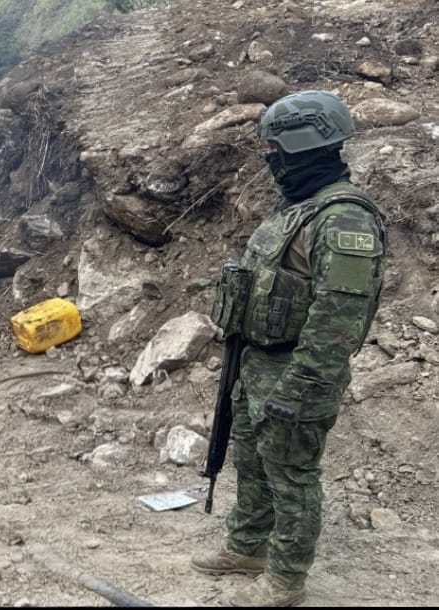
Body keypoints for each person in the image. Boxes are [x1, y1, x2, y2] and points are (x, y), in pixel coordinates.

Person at [191, 90, 386, 606]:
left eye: (275, 149)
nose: (270, 159)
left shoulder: (344, 219)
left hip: (299, 373)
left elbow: (336, 323)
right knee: (252, 460)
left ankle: (285, 580)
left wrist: (301, 388)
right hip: (256, 362)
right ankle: (248, 548)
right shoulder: (297, 207)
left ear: (300, 147)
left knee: (292, 475)